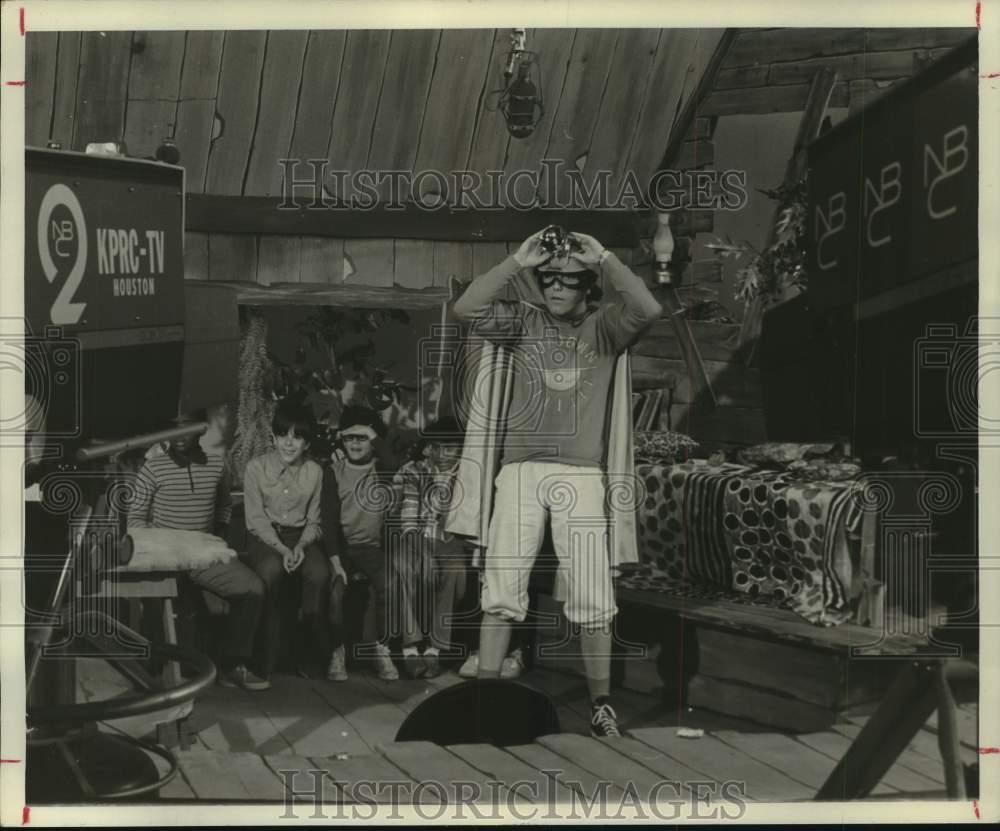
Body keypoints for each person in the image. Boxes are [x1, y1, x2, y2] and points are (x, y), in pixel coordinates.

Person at [451, 228, 662, 737]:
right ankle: (486, 698)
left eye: (569, 281)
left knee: (592, 593)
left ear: (587, 287)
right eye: (548, 280)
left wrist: (606, 255)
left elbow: (648, 308)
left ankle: (601, 704)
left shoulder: (607, 328)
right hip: (521, 471)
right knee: (501, 589)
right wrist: (516, 260)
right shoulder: (521, 322)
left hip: (582, 475)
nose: (556, 288)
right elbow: (466, 309)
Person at [127, 410, 268, 691]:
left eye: (187, 429)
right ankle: (157, 675)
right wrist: (153, 552)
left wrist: (217, 539)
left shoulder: (217, 465)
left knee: (253, 589)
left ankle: (232, 665)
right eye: (173, 430)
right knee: (173, 612)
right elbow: (135, 519)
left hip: (203, 554)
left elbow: (225, 506)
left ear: (201, 431)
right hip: (165, 557)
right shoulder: (152, 468)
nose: (179, 436)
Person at [243, 403, 329, 681]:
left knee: (318, 573)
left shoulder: (315, 472)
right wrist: (282, 549)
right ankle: (264, 660)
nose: (289, 443)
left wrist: (301, 547)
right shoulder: (256, 468)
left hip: (300, 537)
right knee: (271, 571)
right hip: (266, 537)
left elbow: (314, 520)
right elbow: (255, 520)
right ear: (274, 437)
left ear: (306, 443)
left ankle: (310, 657)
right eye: (283, 435)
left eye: (297, 437)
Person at [320, 405, 400, 682]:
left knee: (389, 584)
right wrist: (335, 562)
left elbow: (393, 463)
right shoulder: (334, 472)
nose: (355, 443)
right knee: (335, 593)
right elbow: (328, 522)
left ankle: (381, 649)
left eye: (362, 437)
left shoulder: (380, 470)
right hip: (341, 549)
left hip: (370, 549)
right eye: (349, 437)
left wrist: (372, 433)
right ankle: (337, 651)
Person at [393, 416, 470, 679]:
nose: (447, 453)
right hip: (416, 538)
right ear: (431, 447)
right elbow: (408, 521)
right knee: (403, 566)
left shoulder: (467, 475)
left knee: (455, 569)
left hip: (451, 540)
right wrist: (425, 555)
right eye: (441, 446)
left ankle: (435, 650)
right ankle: (411, 648)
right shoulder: (416, 471)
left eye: (453, 446)